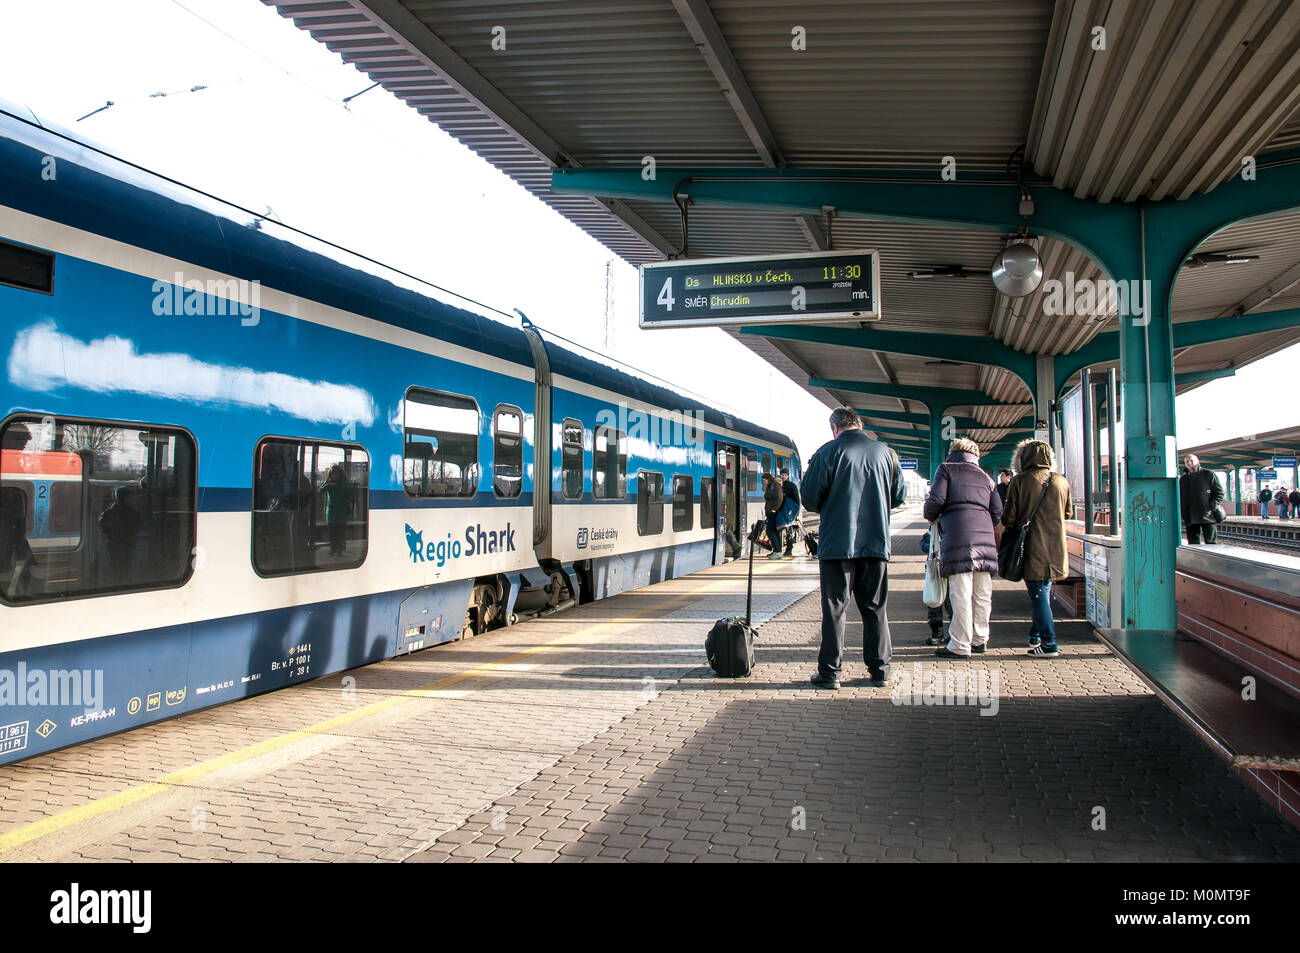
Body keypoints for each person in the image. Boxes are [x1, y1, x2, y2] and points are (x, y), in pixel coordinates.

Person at [800, 407, 906, 689]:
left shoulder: (827, 452)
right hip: (876, 544)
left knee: (835, 608)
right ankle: (880, 671)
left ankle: (830, 673)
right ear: (859, 425)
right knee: (875, 608)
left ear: (835, 427)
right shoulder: (887, 453)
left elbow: (809, 498)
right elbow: (898, 496)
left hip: (838, 545)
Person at [923, 438, 1002, 658]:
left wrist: (930, 516)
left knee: (961, 593)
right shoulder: (987, 477)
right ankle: (980, 640)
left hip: (959, 537)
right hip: (985, 539)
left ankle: (959, 644)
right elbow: (997, 511)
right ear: (976, 455)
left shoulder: (946, 469)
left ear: (952, 452)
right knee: (982, 593)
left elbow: (937, 499)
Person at [1001, 439, 1071, 658]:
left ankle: (1049, 643)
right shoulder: (1061, 481)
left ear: (1023, 458)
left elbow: (1009, 519)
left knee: (1038, 593)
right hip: (1056, 546)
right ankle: (1035, 635)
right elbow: (1068, 513)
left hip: (1032, 547)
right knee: (1042, 592)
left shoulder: (1020, 481)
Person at [1179, 454, 1225, 544]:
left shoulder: (1208, 474)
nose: (1189, 463)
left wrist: (1212, 506)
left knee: (1211, 543)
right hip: (1190, 516)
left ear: (1197, 461)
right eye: (1187, 462)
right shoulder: (1183, 479)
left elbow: (1219, 492)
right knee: (1193, 544)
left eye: (1191, 460)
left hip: (1208, 515)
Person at [919, 524, 952, 646]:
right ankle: (939, 633)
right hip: (940, 568)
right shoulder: (934, 528)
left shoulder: (935, 526)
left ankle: (940, 633)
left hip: (941, 569)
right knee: (937, 602)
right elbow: (924, 543)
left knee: (943, 602)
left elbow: (923, 544)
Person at [319, 464, 354, 556]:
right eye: (332, 474)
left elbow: (349, 495)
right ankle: (333, 549)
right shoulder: (328, 483)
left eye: (336, 473)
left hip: (341, 511)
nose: (334, 476)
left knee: (340, 531)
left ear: (340, 474)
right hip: (331, 511)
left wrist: (345, 505)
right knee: (332, 531)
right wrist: (328, 484)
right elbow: (320, 490)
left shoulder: (344, 484)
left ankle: (339, 550)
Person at [761, 473, 785, 560]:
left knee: (770, 531)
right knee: (774, 531)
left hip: (774, 513)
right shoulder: (771, 485)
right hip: (771, 512)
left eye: (764, 480)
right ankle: (776, 551)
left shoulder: (775, 485)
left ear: (768, 479)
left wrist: (774, 509)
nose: (763, 482)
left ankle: (777, 551)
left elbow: (779, 498)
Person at [779, 468, 801, 557]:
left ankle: (789, 549)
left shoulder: (792, 486)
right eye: (782, 475)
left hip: (788, 511)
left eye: (785, 475)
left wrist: (796, 513)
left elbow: (797, 500)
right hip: (780, 510)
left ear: (788, 476)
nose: (783, 476)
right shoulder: (779, 485)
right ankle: (778, 550)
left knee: (788, 530)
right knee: (780, 529)